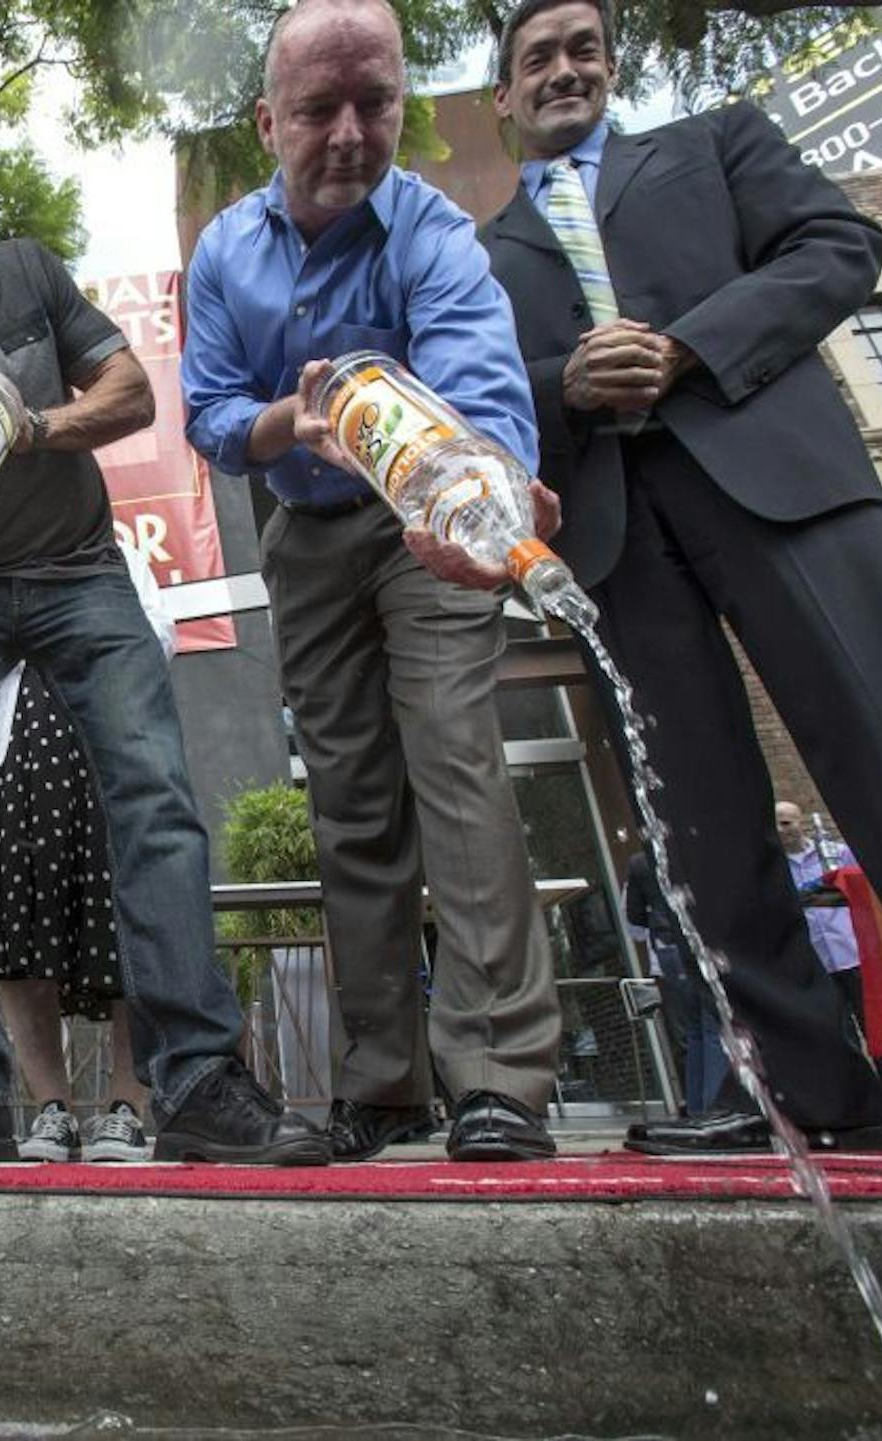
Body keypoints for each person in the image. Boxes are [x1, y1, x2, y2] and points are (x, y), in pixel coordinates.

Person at [480, 0, 882, 1158]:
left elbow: (840, 246)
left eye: (582, 50)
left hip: (777, 474)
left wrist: (686, 346)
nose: (564, 71)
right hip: (616, 528)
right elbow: (492, 386)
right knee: (695, 811)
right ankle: (795, 1086)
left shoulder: (715, 144)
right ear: (501, 95)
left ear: (610, 66)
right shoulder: (483, 252)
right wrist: (570, 383)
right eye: (536, 58)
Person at [0, 117, 326, 1165]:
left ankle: (201, 1079)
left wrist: (27, 427)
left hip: (83, 572)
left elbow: (129, 393)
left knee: (152, 786)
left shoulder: (25, 271)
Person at [180, 0, 563, 1163]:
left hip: (424, 531)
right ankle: (382, 1079)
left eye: (375, 104)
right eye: (318, 110)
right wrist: (291, 420)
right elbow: (205, 413)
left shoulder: (436, 233)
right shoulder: (223, 253)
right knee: (348, 801)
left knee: (454, 758)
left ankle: (497, 1074)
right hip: (302, 535)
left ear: (401, 102)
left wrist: (488, 486)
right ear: (266, 122)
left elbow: (482, 383)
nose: (350, 133)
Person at [0, 546, 177, 1164]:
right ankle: (51, 1111)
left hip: (103, 764)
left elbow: (156, 639)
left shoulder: (114, 552)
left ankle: (125, 1110)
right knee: (18, 943)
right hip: (5, 765)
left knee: (122, 937)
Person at [775, 802, 882, 1134]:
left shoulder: (836, 854)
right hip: (816, 962)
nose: (782, 830)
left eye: (787, 823)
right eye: (777, 825)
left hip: (853, 955)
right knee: (840, 1041)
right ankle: (865, 1114)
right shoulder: (775, 868)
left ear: (801, 823)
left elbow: (868, 892)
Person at [624, 849, 723, 1115]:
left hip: (668, 948)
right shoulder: (699, 850)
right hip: (704, 941)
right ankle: (714, 1108)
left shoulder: (640, 863)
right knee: (714, 1027)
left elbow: (633, 920)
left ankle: (696, 1109)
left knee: (694, 1031)